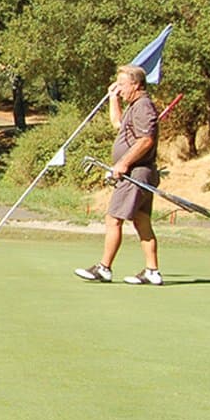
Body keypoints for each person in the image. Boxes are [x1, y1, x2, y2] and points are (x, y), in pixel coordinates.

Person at [75, 65, 163, 285]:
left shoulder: (143, 106)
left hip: (136, 172)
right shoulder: (135, 106)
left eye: (122, 85)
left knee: (113, 219)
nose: (119, 88)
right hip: (139, 172)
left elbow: (146, 140)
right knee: (141, 221)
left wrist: (123, 163)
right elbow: (118, 124)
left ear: (136, 84)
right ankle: (152, 271)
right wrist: (112, 98)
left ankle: (104, 268)